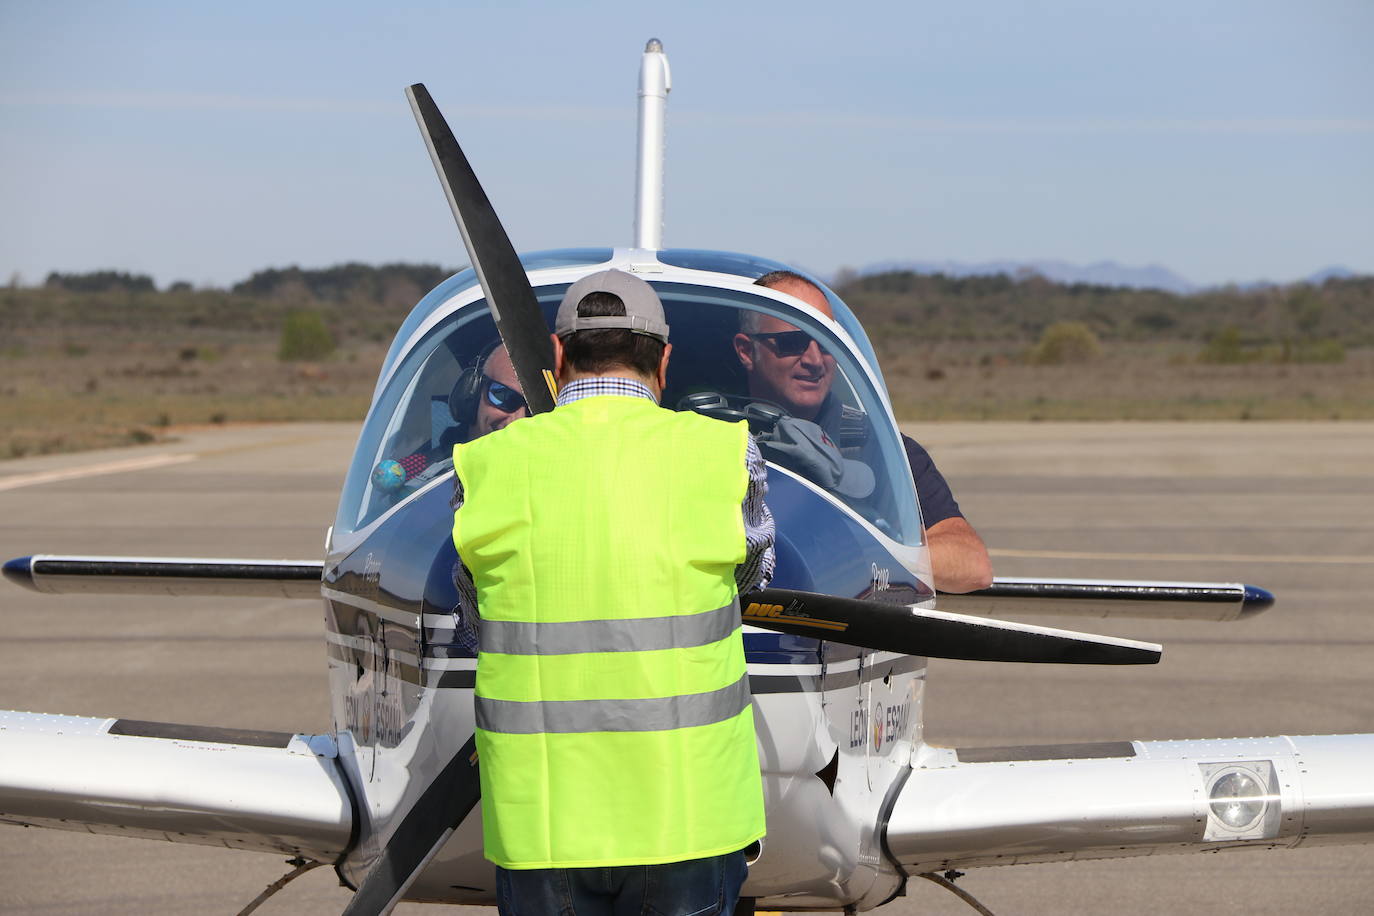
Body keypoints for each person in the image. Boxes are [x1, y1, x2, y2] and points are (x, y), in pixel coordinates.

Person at [451, 269, 774, 915]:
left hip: (543, 820)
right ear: (666, 360)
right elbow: (750, 581)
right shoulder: (726, 455)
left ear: (558, 354)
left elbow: (476, 617)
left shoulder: (487, 464)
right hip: (691, 812)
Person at [734, 270, 993, 594]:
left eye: (826, 342)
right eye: (793, 342)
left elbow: (972, 564)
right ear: (746, 351)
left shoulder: (881, 450)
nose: (814, 359)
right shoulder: (704, 436)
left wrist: (864, 550)